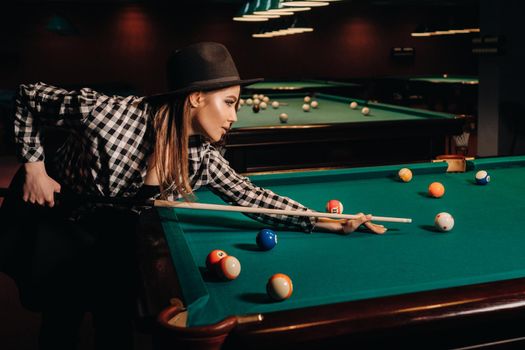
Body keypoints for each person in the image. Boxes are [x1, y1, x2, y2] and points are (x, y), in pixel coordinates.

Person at [0, 42, 385, 349]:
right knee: (61, 319)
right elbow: (28, 96)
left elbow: (252, 197)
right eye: (229, 102)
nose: (235, 115)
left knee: (113, 321)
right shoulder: (109, 114)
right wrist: (35, 167)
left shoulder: (201, 157)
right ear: (197, 98)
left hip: (117, 232)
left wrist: (328, 220)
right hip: (60, 217)